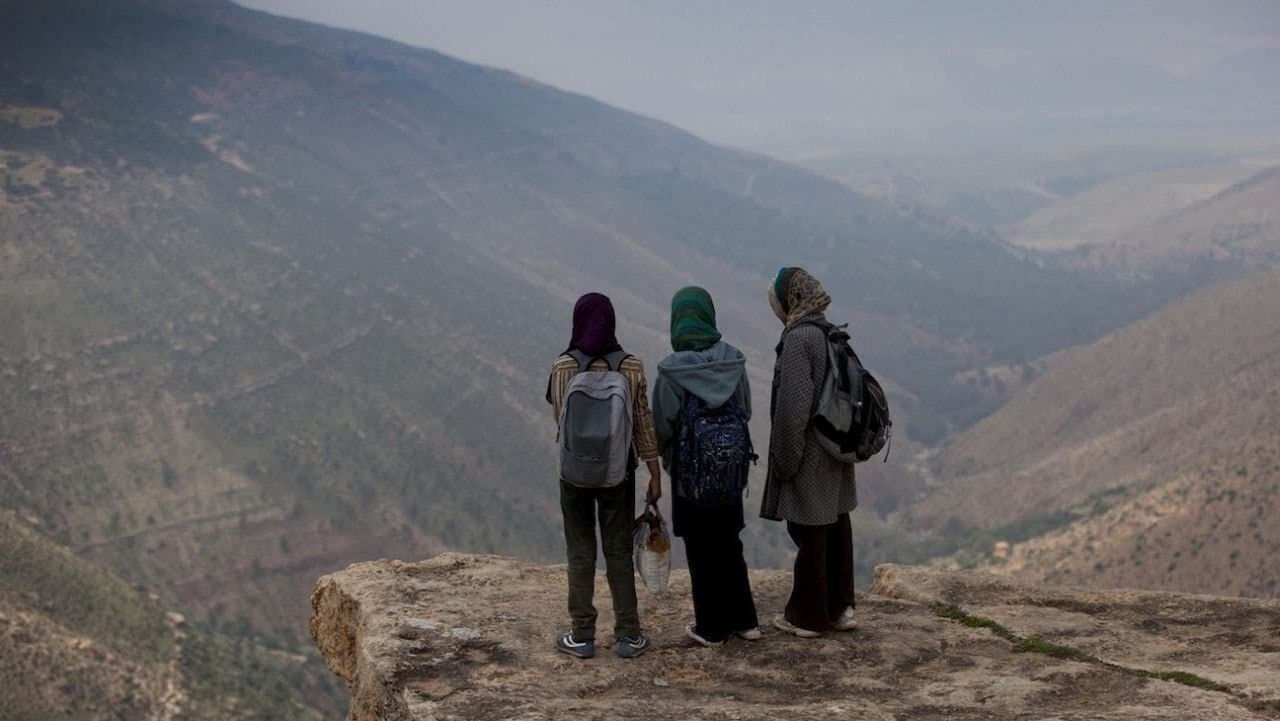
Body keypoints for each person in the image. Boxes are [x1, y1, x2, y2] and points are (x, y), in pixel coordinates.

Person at [546, 292, 661, 659]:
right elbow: (643, 424)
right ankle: (628, 635)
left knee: (580, 553)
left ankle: (582, 635)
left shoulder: (563, 366)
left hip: (574, 476)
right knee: (618, 553)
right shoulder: (631, 367)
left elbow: (560, 420)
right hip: (618, 475)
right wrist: (655, 473)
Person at [652, 286, 762, 647]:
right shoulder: (733, 362)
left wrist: (674, 458)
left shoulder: (671, 373)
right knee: (730, 542)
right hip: (730, 474)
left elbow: (662, 427)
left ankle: (712, 627)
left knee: (701, 549)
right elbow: (744, 410)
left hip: (690, 477)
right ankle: (746, 621)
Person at [760, 267, 858, 638]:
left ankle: (808, 616)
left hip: (811, 454)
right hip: (837, 449)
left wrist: (786, 459)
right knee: (836, 524)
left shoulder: (799, 339)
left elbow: (793, 410)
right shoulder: (830, 332)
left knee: (811, 530)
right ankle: (841, 607)